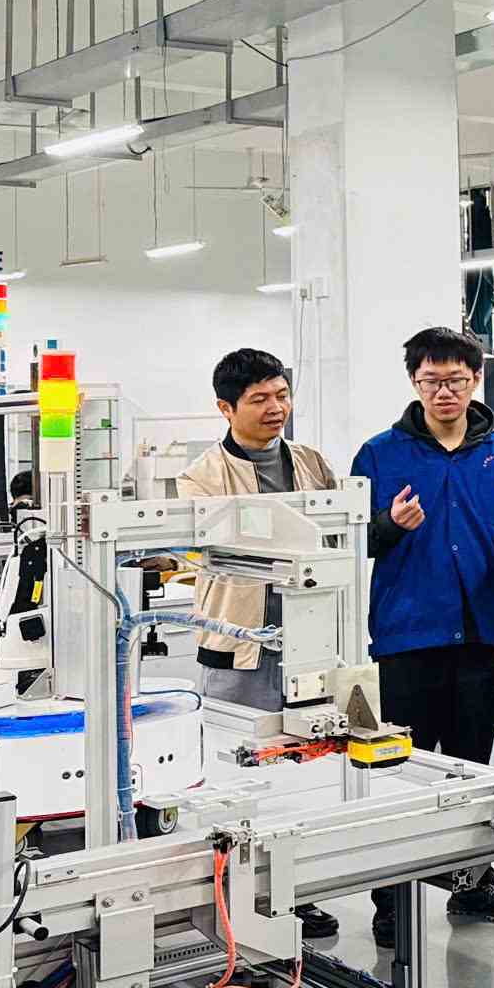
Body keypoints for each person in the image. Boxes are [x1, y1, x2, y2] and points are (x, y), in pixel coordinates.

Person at [353, 327, 494, 942]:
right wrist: (389, 524)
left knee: (472, 770)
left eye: (456, 380)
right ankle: (390, 896)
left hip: (483, 637)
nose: (444, 392)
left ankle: (471, 882)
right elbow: (352, 542)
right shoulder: (379, 455)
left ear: (475, 380)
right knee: (397, 771)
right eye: (432, 380)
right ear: (414, 382)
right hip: (408, 637)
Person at [178, 348, 341, 937]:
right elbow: (197, 556)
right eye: (259, 399)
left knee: (305, 770)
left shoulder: (312, 462)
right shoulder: (202, 476)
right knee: (237, 774)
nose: (276, 408)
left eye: (282, 395)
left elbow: (335, 534)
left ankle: (294, 893)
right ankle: (234, 897)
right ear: (226, 408)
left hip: (309, 643)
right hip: (238, 648)